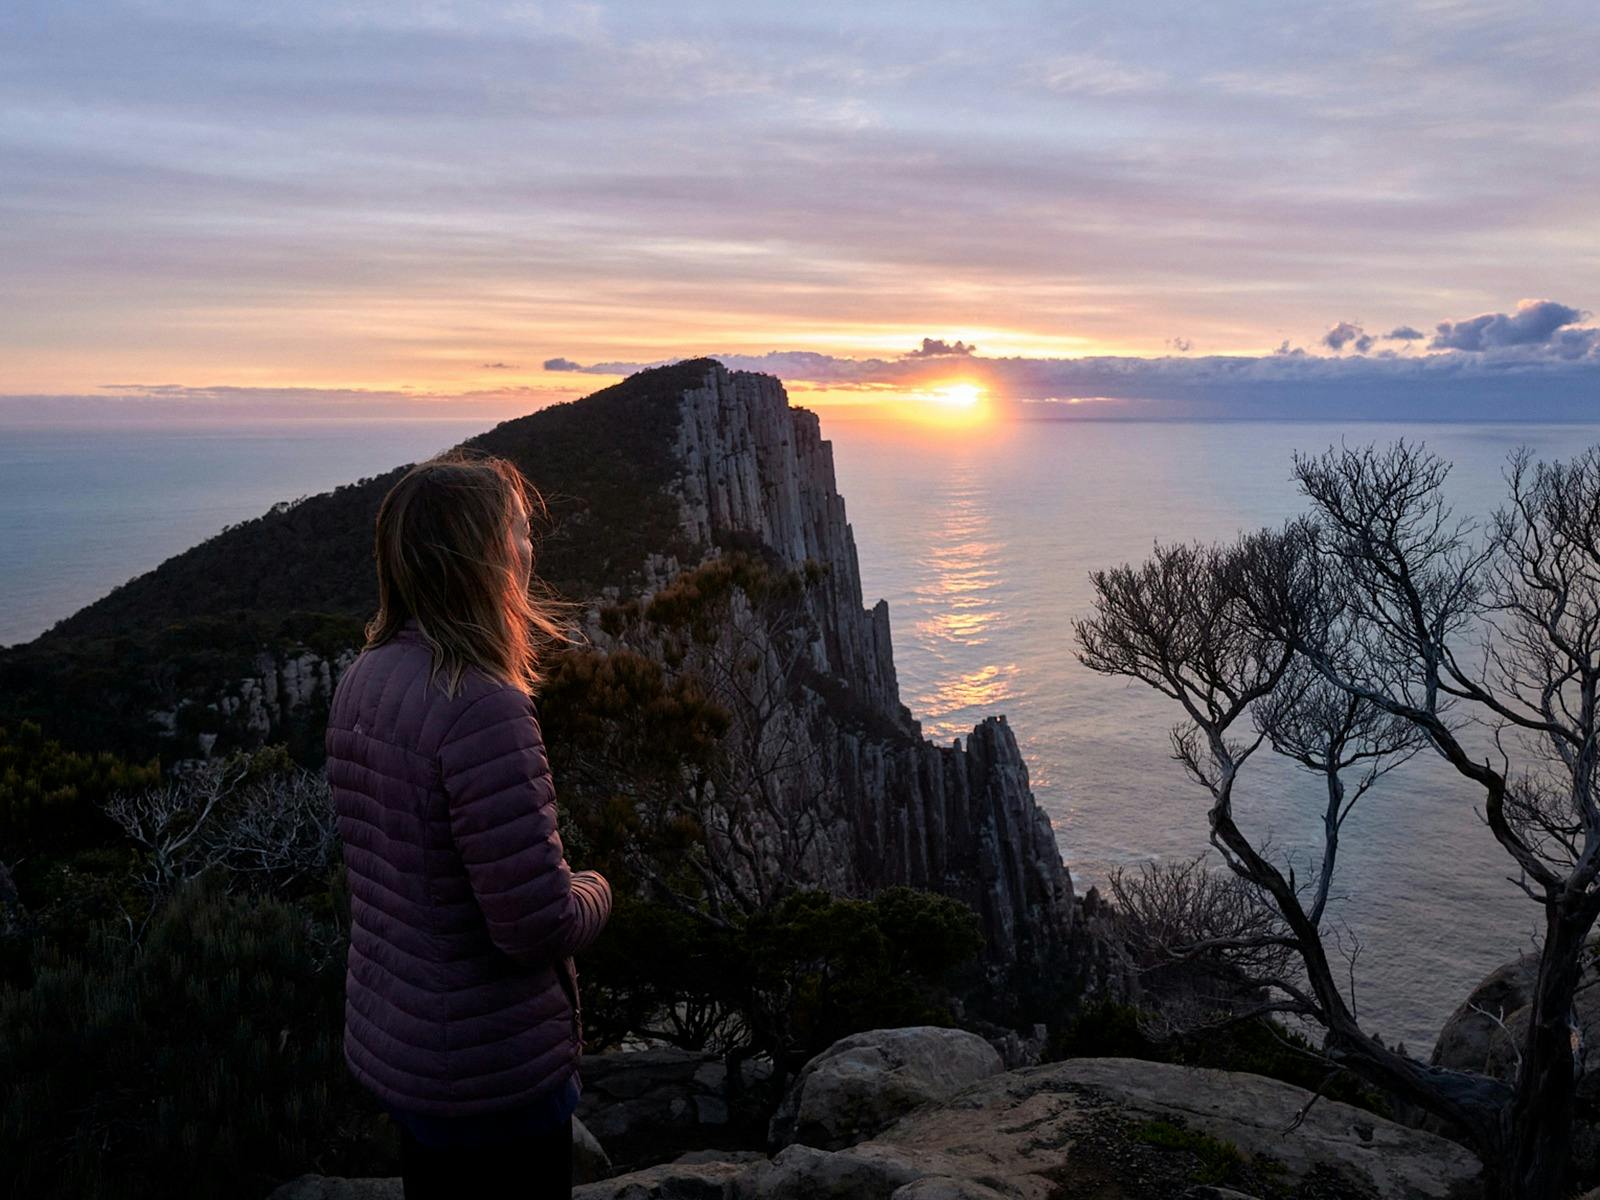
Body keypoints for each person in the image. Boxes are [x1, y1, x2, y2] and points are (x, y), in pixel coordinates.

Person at [324, 448, 611, 1200]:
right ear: (482, 559)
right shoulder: (483, 706)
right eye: (517, 531)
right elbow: (533, 926)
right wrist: (597, 889)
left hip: (408, 1047)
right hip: (493, 1068)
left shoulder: (365, 677)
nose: (529, 547)